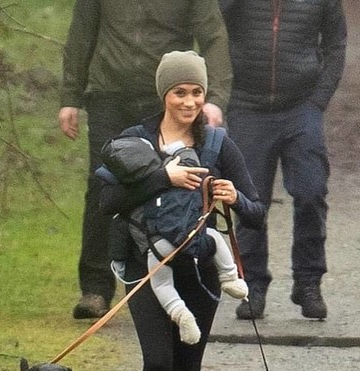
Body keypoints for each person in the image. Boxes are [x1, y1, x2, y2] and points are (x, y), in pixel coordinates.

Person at [99, 51, 265, 371]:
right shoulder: (134, 141)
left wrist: (234, 197)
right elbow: (106, 201)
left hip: (199, 270)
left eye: (196, 92)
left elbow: (256, 211)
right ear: (164, 95)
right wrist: (162, 176)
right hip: (146, 267)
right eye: (180, 92)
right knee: (158, 361)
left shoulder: (218, 146)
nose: (189, 102)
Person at [58, 0, 233, 319]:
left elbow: (213, 36)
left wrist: (214, 98)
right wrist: (70, 96)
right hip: (109, 95)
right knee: (102, 186)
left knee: (179, 185)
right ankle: (95, 288)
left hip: (166, 98)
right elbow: (82, 34)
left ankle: (179, 278)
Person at [219, 0, 347, 320]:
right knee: (249, 199)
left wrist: (318, 100)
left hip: (301, 107)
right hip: (246, 106)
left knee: (311, 191)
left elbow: (336, 43)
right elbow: (214, 29)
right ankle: (253, 286)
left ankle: (308, 282)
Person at [98, 132, 249, 345]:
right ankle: (230, 278)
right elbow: (188, 157)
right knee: (215, 237)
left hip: (157, 247)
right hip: (192, 236)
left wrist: (120, 263)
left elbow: (117, 222)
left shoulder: (128, 181)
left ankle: (179, 313)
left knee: (162, 285)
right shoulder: (175, 162)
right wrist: (176, 153)